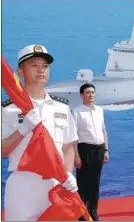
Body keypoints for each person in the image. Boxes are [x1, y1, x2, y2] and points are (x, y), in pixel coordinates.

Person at [1, 44, 78, 220]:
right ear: (21, 72)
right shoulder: (7, 110)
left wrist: (67, 174)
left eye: (44, 66)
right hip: (23, 186)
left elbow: (68, 147)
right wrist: (22, 130)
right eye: (34, 65)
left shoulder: (62, 107)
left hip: (56, 184)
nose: (41, 70)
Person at [73, 83, 109, 221]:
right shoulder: (76, 111)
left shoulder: (99, 110)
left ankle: (93, 212)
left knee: (95, 182)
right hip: (84, 149)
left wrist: (106, 149)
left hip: (99, 149)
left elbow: (103, 130)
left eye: (93, 92)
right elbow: (74, 135)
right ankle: (82, 215)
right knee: (83, 184)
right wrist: (76, 155)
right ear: (82, 95)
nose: (91, 95)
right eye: (87, 92)